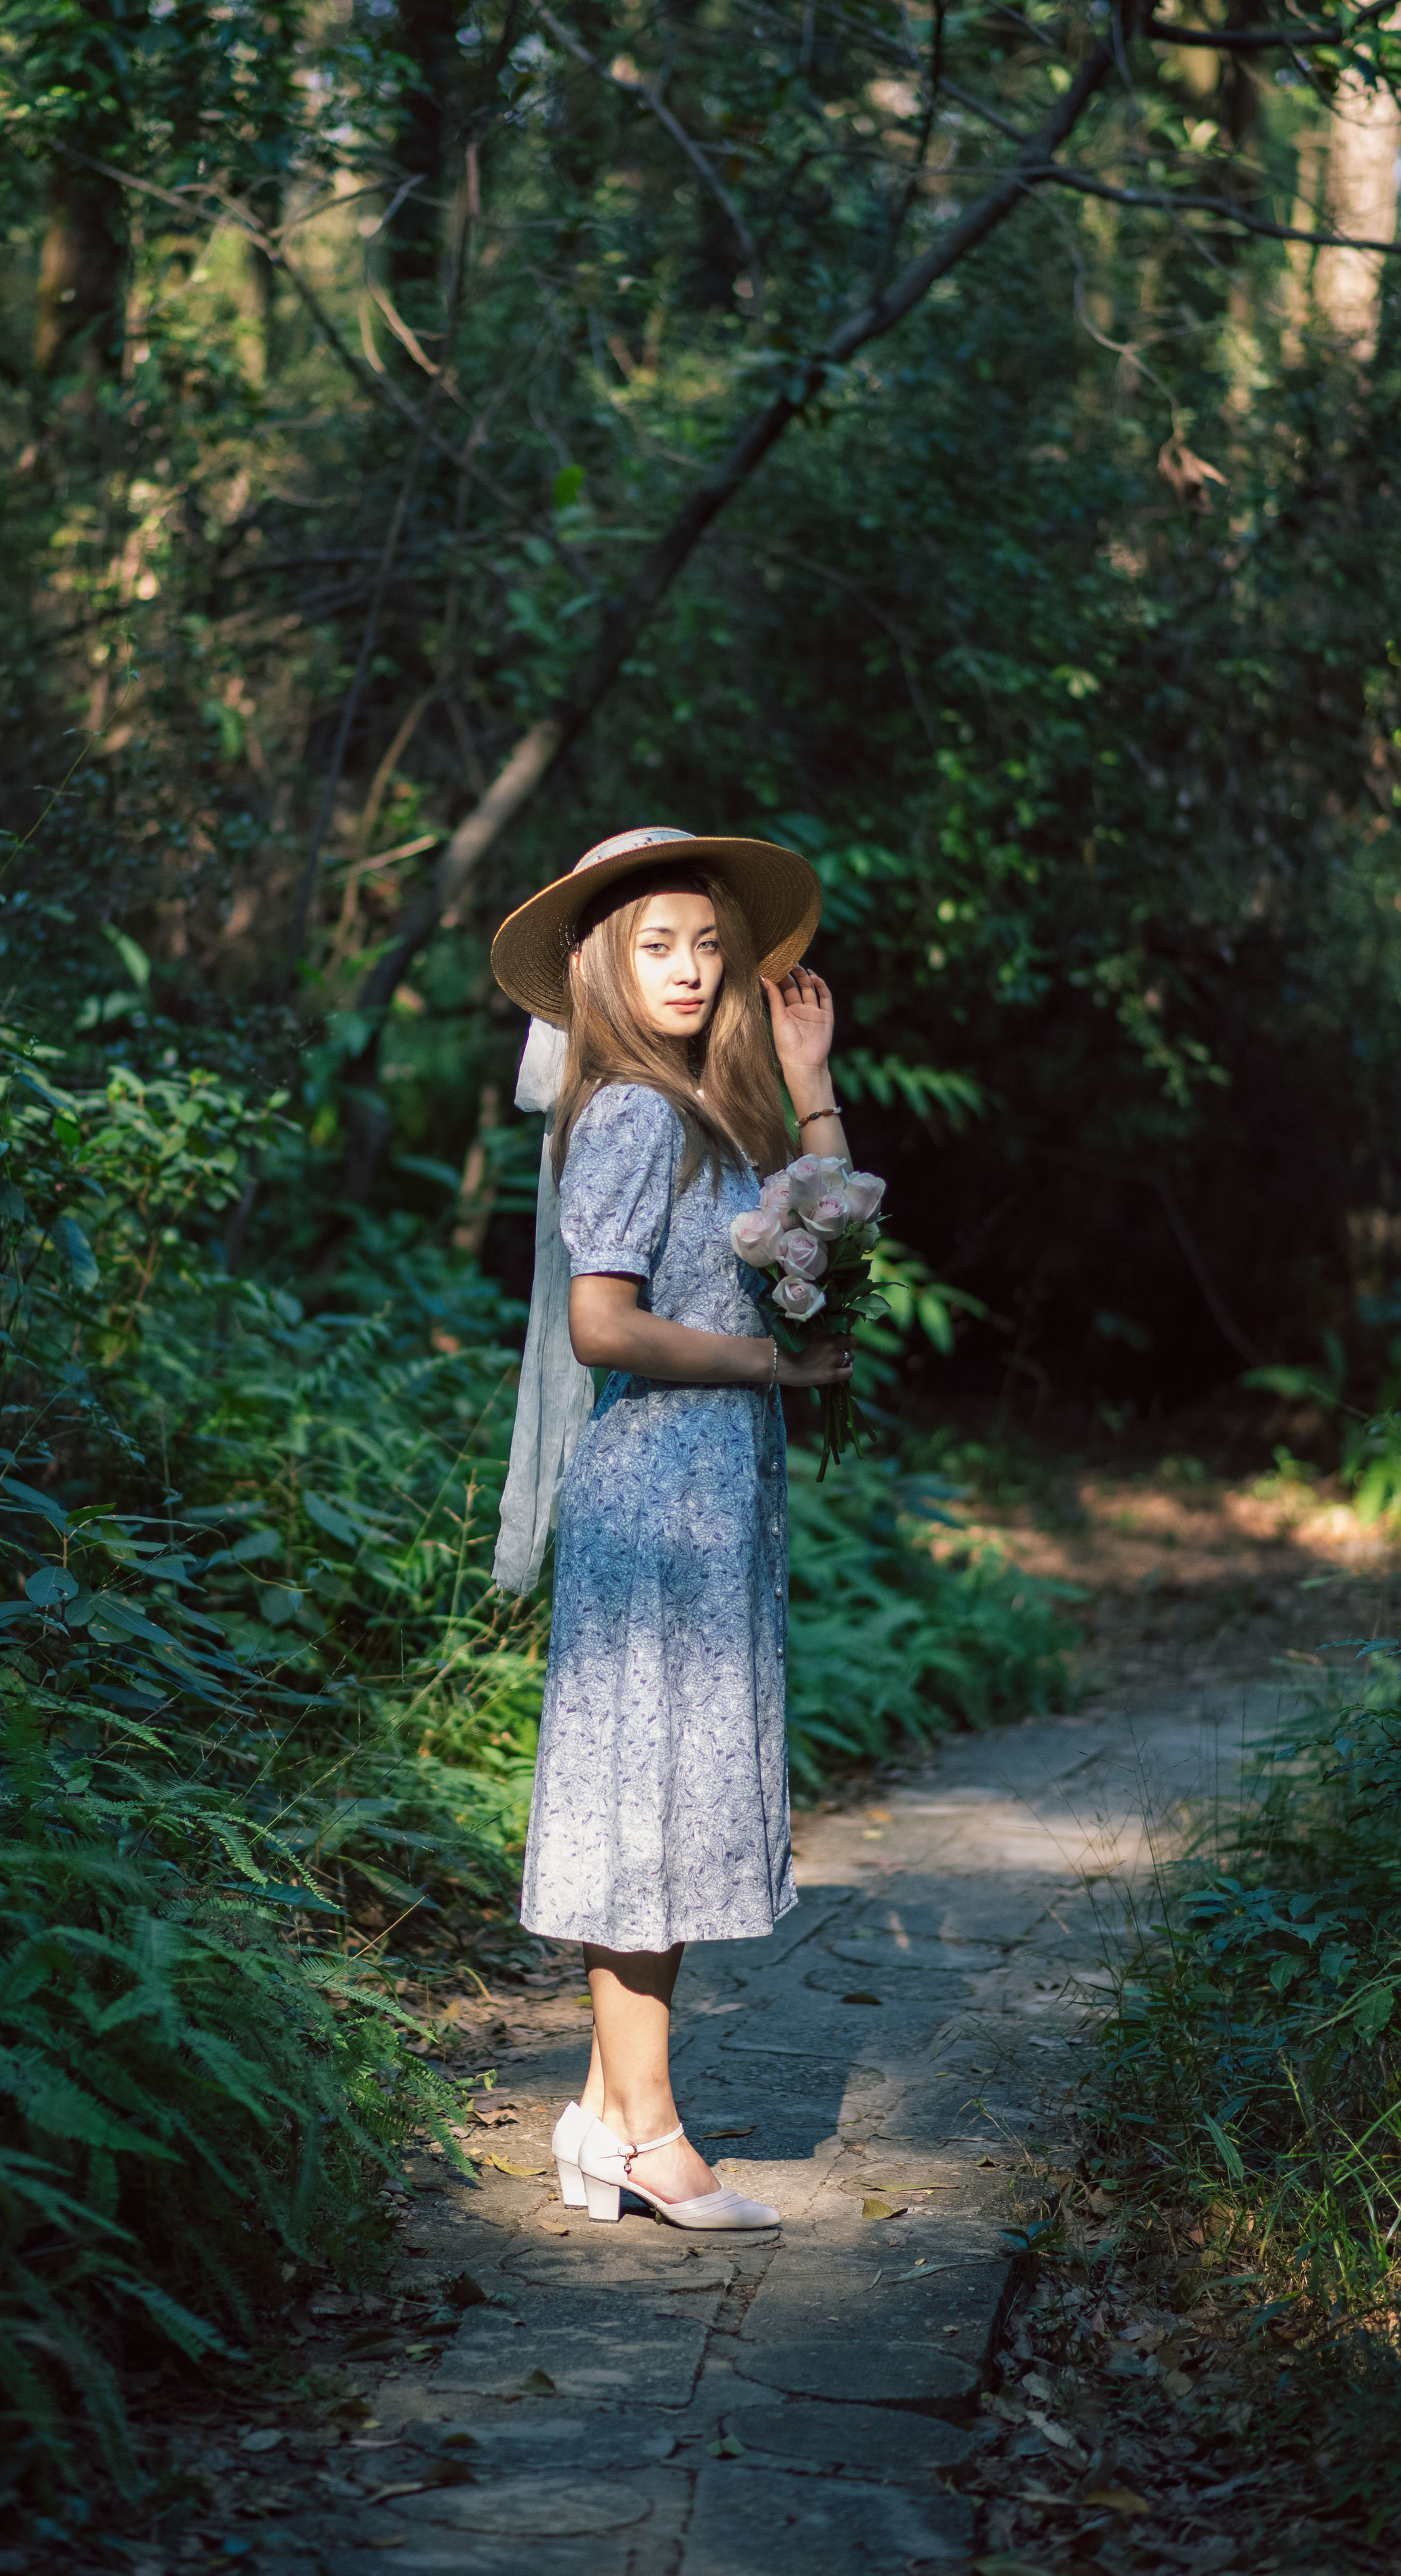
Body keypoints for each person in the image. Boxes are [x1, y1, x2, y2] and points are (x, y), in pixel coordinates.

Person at [489, 825, 859, 2231]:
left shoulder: (704, 1110)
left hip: (718, 1490)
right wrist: (766, 1365)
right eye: (660, 945)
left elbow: (828, 1264)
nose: (694, 969)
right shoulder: (634, 1112)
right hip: (660, 1495)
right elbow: (602, 1326)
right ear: (603, 963)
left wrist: (812, 1089)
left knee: (676, 1797)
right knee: (645, 1806)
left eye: (710, 943)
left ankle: (599, 2111)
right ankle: (648, 2132)